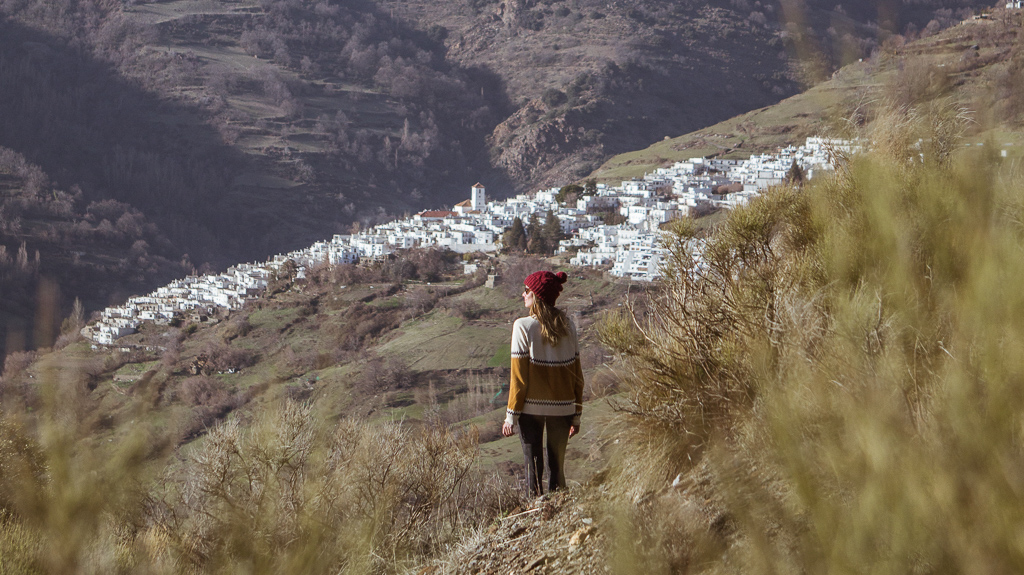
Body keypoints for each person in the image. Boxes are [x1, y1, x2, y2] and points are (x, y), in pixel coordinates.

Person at [501, 270, 584, 496]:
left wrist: (511, 416)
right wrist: (576, 415)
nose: (523, 294)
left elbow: (519, 378)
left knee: (533, 469)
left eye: (526, 290)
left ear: (536, 296)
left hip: (531, 409)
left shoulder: (523, 326)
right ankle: (559, 511)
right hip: (564, 407)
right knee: (557, 470)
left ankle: (535, 511)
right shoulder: (569, 326)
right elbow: (577, 375)